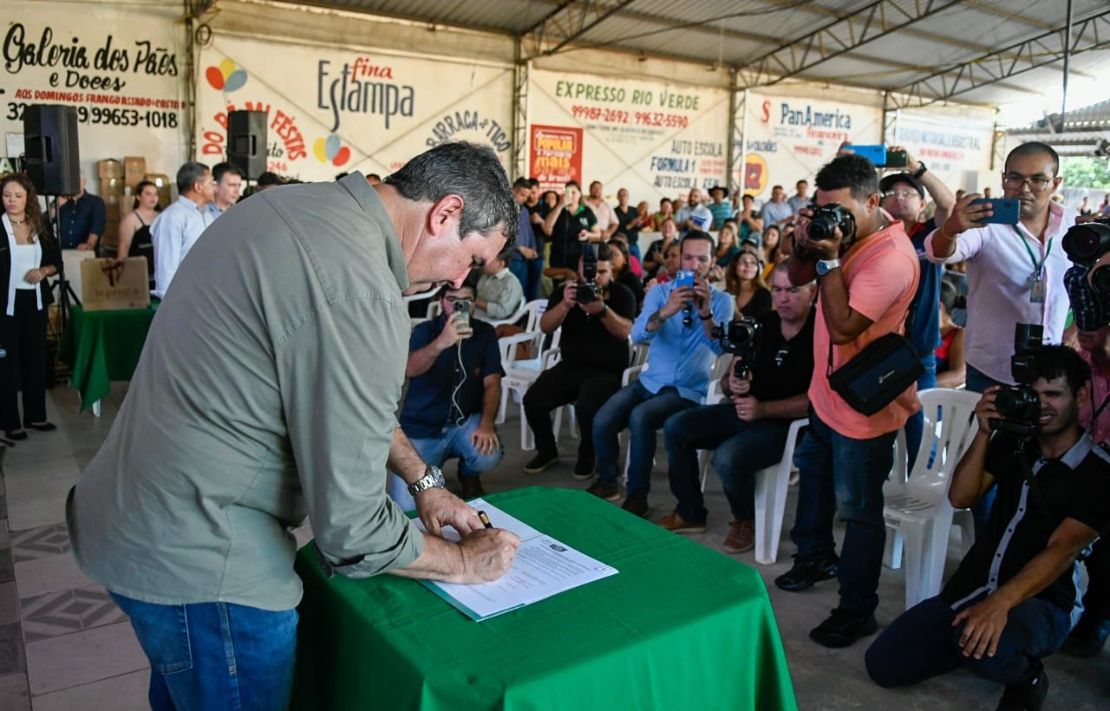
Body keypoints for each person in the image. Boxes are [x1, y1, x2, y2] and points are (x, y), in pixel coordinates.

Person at [67, 143, 521, 711]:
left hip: (136, 516)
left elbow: (350, 405)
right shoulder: (359, 289)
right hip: (207, 563)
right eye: (472, 259)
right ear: (445, 214)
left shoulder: (292, 206)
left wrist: (425, 483)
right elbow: (353, 533)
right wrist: (462, 562)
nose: (460, 279)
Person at [865, 346, 1110, 711]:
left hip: (1044, 601)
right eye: (1033, 394)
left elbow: (1062, 549)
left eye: (1053, 395)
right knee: (884, 665)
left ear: (1081, 396)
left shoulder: (1098, 471)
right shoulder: (1015, 440)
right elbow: (961, 497)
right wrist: (983, 432)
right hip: (974, 584)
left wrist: (998, 605)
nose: (1041, 405)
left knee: (994, 650)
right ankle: (968, 642)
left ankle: (1027, 677)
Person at [777, 153, 920, 648]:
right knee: (814, 483)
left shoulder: (892, 258)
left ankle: (857, 608)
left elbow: (843, 328)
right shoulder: (845, 238)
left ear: (874, 202)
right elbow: (796, 278)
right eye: (823, 210)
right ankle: (814, 556)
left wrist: (830, 257)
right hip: (825, 395)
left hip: (865, 410)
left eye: (839, 211)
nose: (831, 221)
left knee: (860, 512)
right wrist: (803, 242)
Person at [660, 261, 815, 551]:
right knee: (676, 426)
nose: (783, 298)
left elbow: (816, 401)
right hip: (745, 411)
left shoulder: (822, 333)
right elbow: (729, 382)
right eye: (778, 290)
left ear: (813, 292)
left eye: (793, 291)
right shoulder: (762, 323)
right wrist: (734, 382)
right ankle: (689, 512)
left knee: (727, 457)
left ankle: (745, 519)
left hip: (789, 425)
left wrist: (763, 410)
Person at [589, 232, 734, 517]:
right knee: (603, 419)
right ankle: (608, 482)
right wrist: (666, 311)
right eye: (689, 257)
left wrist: (706, 314)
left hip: (686, 389)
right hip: (650, 380)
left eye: (702, 259)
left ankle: (638, 494)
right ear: (679, 259)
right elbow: (637, 333)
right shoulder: (660, 292)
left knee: (641, 417)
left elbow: (721, 349)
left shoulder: (723, 301)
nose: (694, 265)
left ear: (712, 262)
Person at [926, 143, 1076, 394]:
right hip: (992, 370)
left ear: (1056, 183)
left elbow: (1089, 279)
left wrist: (1076, 330)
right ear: (1004, 180)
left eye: (1038, 179)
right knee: (984, 432)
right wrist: (951, 228)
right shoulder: (985, 224)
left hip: (1052, 369)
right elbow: (939, 253)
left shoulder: (1070, 223)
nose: (1024, 188)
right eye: (1015, 178)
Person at [522, 243, 636, 478]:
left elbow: (625, 332)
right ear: (579, 269)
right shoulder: (567, 291)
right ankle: (547, 450)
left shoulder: (622, 293)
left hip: (607, 370)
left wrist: (602, 310)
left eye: (602, 272)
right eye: (590, 271)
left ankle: (588, 453)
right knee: (533, 400)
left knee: (587, 406)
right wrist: (564, 304)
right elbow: (545, 327)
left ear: (611, 272)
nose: (594, 277)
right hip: (571, 366)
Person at [391, 281, 505, 505]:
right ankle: (433, 471)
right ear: (441, 301)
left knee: (488, 454)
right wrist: (442, 342)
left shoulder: (485, 333)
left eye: (466, 300)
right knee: (405, 506)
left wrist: (487, 424)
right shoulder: (425, 330)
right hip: (423, 425)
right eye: (452, 300)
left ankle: (468, 473)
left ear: (474, 304)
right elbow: (410, 369)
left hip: (463, 421)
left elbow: (493, 382)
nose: (458, 306)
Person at [880, 147, 956, 464]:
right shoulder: (872, 236)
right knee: (873, 434)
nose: (900, 197)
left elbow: (949, 205)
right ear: (879, 203)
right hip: (876, 352)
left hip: (919, 351)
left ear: (922, 204)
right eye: (892, 192)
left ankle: (926, 505)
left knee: (920, 436)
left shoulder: (930, 237)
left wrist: (917, 168)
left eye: (909, 192)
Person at [0, 174, 62, 439]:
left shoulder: (39, 224)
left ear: (28, 198)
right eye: (6, 195)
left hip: (34, 302)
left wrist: (43, 271)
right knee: (6, 362)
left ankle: (36, 416)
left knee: (35, 359)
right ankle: (9, 421)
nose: (12, 201)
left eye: (18, 196)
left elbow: (55, 260)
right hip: (5, 305)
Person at [151, 162, 216, 299]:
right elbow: (166, 268)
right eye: (211, 183)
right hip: (182, 300)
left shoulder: (207, 215)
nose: (214, 188)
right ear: (198, 187)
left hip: (205, 296)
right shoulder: (172, 217)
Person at [543, 181, 599, 283]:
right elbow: (547, 228)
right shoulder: (558, 210)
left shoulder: (587, 211)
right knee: (559, 290)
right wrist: (560, 205)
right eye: (568, 192)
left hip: (580, 258)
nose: (571, 195)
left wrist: (588, 235)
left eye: (574, 192)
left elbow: (598, 234)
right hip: (559, 258)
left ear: (580, 194)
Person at [115, 180, 161, 287]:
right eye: (148, 194)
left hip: (160, 273)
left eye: (155, 194)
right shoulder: (130, 219)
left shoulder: (162, 217)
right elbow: (124, 248)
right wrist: (122, 275)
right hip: (139, 274)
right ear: (138, 196)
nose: (153, 198)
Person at [508, 178, 542, 301]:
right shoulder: (503, 209)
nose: (524, 199)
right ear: (513, 190)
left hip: (523, 261)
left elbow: (529, 231)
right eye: (522, 195)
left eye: (526, 196)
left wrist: (533, 248)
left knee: (523, 292)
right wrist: (521, 248)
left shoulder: (525, 210)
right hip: (510, 259)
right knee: (510, 295)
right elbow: (504, 232)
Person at [56, 175, 106, 252]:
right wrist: (55, 206)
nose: (74, 185)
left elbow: (97, 227)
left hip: (85, 253)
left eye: (77, 181)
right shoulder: (62, 201)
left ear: (84, 182)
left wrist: (89, 244)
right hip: (62, 254)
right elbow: (43, 223)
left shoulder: (96, 202)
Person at [473, 251, 523, 322]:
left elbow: (502, 312)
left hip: (490, 322)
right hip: (474, 316)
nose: (484, 263)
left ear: (501, 264)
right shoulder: (486, 276)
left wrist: (476, 301)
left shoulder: (511, 282)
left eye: (488, 261)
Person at [935, 280, 966, 388]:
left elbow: (959, 376)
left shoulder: (959, 334)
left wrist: (924, 384)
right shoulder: (918, 329)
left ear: (939, 307)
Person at [725, 249, 772, 318]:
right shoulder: (726, 294)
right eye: (743, 262)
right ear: (734, 267)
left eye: (753, 262)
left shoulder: (764, 295)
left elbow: (761, 326)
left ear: (757, 269)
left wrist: (736, 312)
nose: (748, 265)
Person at [607, 238, 643, 309]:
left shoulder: (632, 279)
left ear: (625, 259)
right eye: (607, 254)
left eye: (614, 254)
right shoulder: (599, 277)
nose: (609, 258)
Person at [613, 188, 644, 261]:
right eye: (621, 195)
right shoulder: (614, 211)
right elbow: (616, 229)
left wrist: (639, 224)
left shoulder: (634, 210)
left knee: (638, 266)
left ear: (628, 197)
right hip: (620, 244)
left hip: (633, 243)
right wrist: (631, 224)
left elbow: (639, 228)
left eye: (625, 195)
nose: (623, 197)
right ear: (617, 197)